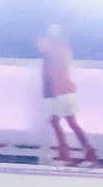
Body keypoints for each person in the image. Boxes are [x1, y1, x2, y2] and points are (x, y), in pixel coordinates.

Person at [37, 23, 99, 168]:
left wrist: (49, 91)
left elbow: (51, 74)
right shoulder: (65, 50)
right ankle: (88, 154)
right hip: (68, 90)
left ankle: (66, 155)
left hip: (61, 91)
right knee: (69, 123)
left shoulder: (52, 52)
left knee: (56, 121)